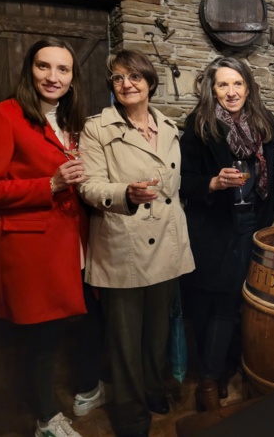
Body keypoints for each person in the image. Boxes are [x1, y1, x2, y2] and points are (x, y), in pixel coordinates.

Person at [78, 50, 195, 437]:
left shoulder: (168, 125)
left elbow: (173, 189)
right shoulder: (98, 128)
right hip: (123, 246)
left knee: (157, 332)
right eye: (117, 78)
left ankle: (153, 388)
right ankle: (130, 418)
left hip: (167, 244)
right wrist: (124, 193)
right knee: (126, 343)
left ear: (149, 81)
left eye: (134, 77)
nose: (126, 84)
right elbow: (89, 186)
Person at [0, 37, 89, 437]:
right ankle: (47, 419)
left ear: (73, 78)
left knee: (59, 332)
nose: (53, 77)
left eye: (63, 69)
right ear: (30, 69)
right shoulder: (3, 115)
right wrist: (50, 184)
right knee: (42, 337)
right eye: (44, 66)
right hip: (30, 248)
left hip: (68, 243)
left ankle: (57, 401)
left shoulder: (71, 120)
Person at [180, 56, 274, 411]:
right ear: (213, 90)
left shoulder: (264, 121)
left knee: (240, 301)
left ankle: (227, 368)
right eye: (223, 84)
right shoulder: (199, 124)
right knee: (216, 301)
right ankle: (210, 378)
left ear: (248, 87)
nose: (231, 91)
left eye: (237, 83)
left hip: (255, 224)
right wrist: (214, 182)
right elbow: (185, 182)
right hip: (215, 226)